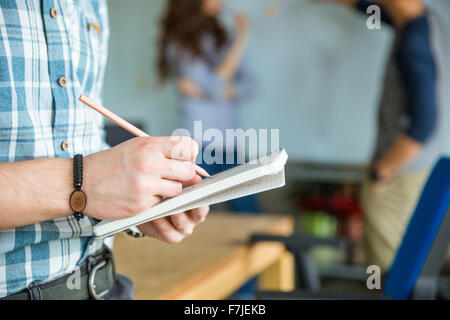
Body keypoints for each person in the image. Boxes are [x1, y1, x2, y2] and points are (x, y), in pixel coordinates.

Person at [0, 0, 209, 300]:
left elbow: (84, 137)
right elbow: (87, 173)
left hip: (107, 286)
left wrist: (138, 203)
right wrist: (83, 182)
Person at [318, 0, 447, 272]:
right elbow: (376, 11)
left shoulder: (414, 42)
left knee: (393, 271)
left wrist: (381, 172)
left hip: (400, 171)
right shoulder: (423, 21)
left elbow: (424, 122)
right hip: (419, 167)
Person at [156, 0, 261, 213]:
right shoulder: (178, 42)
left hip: (229, 140)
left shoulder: (223, 37)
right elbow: (216, 86)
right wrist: (242, 40)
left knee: (247, 209)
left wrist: (217, 89)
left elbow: (249, 85)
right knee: (200, 213)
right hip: (198, 143)